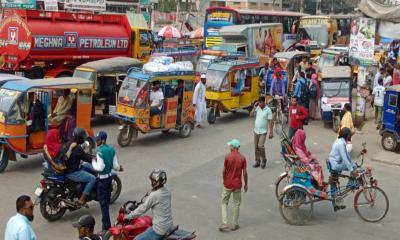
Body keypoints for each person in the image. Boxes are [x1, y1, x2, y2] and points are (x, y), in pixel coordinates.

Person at [124, 170, 173, 240]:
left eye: (152, 180)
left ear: (156, 182)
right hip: (169, 225)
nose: (151, 182)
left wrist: (128, 216)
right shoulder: (168, 191)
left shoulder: (155, 195)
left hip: (160, 229)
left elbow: (142, 209)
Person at [91, 131, 123, 232]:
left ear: (103, 140)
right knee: (106, 203)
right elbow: (115, 166)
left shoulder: (100, 152)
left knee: (103, 204)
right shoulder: (111, 149)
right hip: (109, 179)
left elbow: (100, 168)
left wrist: (93, 162)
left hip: (102, 180)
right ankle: (105, 222)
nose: (97, 142)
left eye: (98, 140)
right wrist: (119, 168)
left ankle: (106, 226)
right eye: (96, 140)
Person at [219, 139, 248, 232]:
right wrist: (246, 184)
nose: (229, 147)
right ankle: (235, 224)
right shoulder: (242, 158)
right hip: (237, 185)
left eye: (230, 146)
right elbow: (245, 173)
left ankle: (224, 222)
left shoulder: (228, 157)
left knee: (224, 202)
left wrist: (224, 180)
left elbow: (224, 171)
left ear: (233, 147)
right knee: (236, 204)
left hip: (228, 184)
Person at [328, 127, 358, 211]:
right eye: (349, 135)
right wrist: (352, 169)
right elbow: (344, 158)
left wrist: (352, 163)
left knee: (334, 182)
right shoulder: (341, 143)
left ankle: (335, 205)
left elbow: (347, 156)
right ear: (346, 135)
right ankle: (350, 185)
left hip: (334, 163)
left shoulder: (341, 141)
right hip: (335, 164)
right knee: (354, 167)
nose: (350, 136)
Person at [65, 128, 96, 206]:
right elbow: (86, 157)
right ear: (79, 137)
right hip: (73, 172)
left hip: (67, 169)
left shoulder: (69, 143)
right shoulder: (78, 148)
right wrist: (94, 158)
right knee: (92, 178)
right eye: (83, 136)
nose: (84, 138)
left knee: (84, 166)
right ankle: (82, 199)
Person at [250, 96, 273, 169]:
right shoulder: (257, 108)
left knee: (260, 146)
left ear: (264, 102)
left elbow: (270, 121)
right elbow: (251, 115)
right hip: (256, 131)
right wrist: (254, 108)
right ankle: (257, 161)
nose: (259, 104)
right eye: (258, 102)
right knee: (256, 147)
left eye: (260, 102)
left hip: (263, 132)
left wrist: (271, 132)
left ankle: (264, 159)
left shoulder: (268, 110)